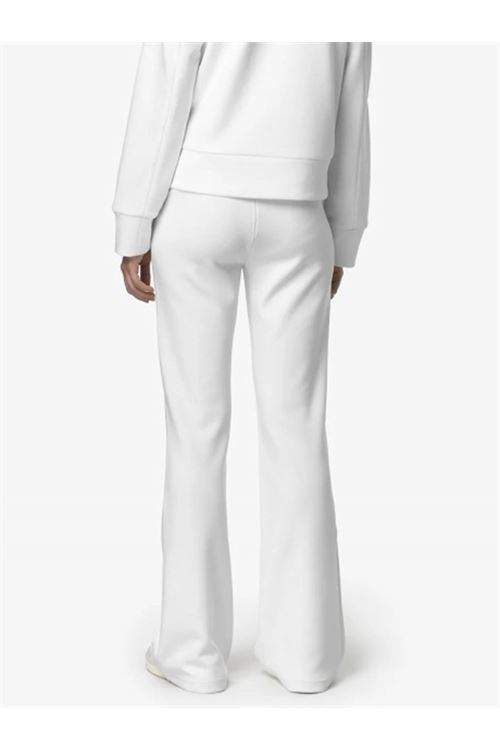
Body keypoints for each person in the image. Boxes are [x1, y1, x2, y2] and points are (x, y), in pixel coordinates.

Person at [113, 42, 371, 694]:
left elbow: (165, 81)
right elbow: (352, 108)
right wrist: (343, 234)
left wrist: (133, 223)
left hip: (197, 204)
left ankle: (192, 654)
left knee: (196, 431)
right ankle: (306, 655)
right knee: (297, 429)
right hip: (299, 211)